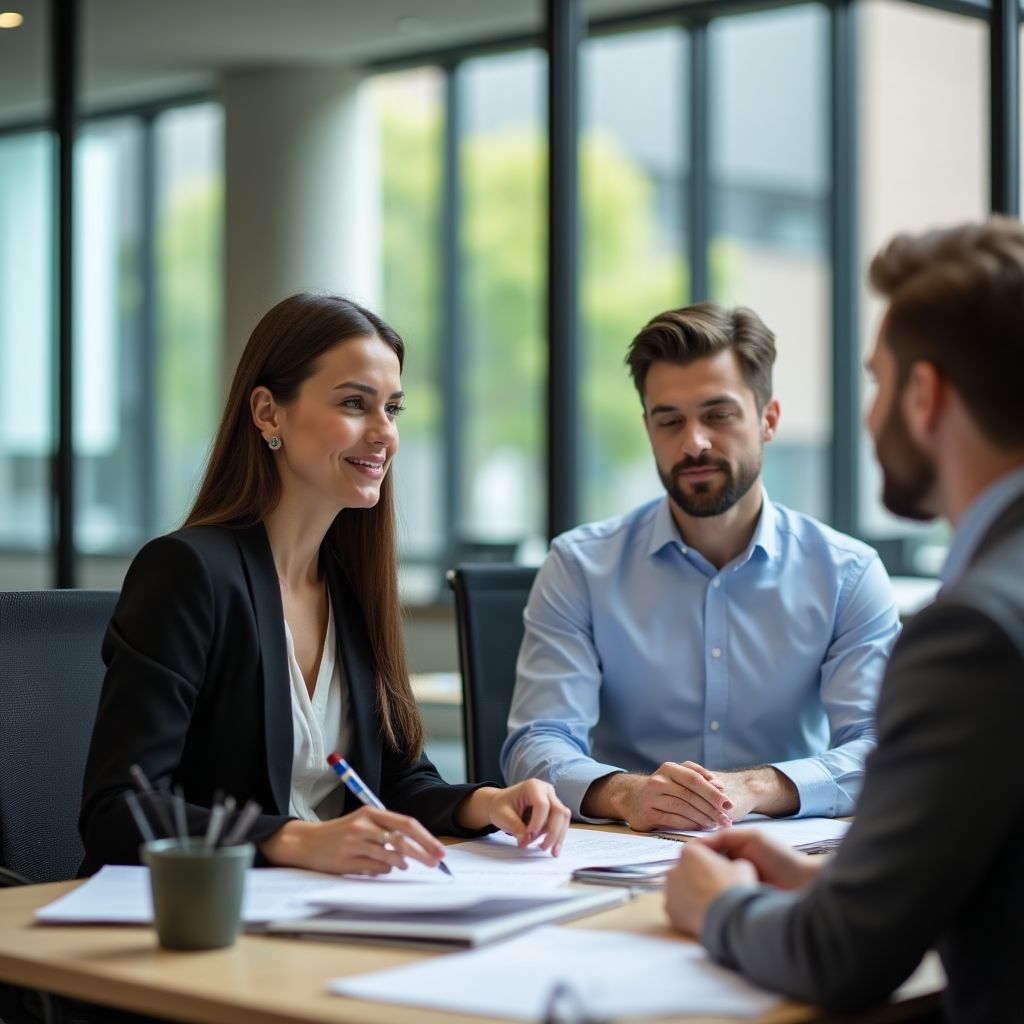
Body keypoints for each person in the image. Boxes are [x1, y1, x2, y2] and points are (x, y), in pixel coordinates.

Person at [664, 218, 1024, 1022]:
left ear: (925, 396)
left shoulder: (974, 634)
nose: (869, 418)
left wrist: (715, 906)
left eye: (877, 383)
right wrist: (839, 887)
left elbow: (842, 958)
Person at [79, 293, 569, 877]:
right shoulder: (188, 573)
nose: (383, 432)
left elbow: (393, 780)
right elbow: (119, 810)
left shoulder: (351, 585)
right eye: (355, 404)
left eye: (393, 408)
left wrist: (485, 803)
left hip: (322, 910)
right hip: (199, 919)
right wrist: (295, 840)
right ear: (267, 413)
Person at [503, 302, 900, 831]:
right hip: (622, 848)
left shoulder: (847, 574)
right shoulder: (580, 566)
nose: (694, 443)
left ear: (768, 420)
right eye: (670, 421)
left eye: (718, 414)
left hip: (784, 853)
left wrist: (759, 787)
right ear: (648, 428)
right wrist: (626, 793)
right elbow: (537, 739)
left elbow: (882, 748)